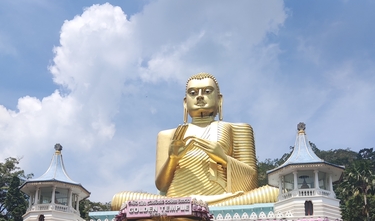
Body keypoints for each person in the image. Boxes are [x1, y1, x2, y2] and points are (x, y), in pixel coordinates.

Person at [111, 73, 278, 209]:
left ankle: (194, 207)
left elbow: (250, 184)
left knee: (273, 193)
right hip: (175, 202)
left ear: (219, 100)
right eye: (193, 93)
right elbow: (162, 186)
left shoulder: (237, 129)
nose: (199, 97)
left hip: (221, 200)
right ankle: (189, 206)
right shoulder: (168, 135)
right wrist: (172, 159)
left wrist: (223, 158)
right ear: (185, 103)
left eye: (207, 91)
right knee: (120, 200)